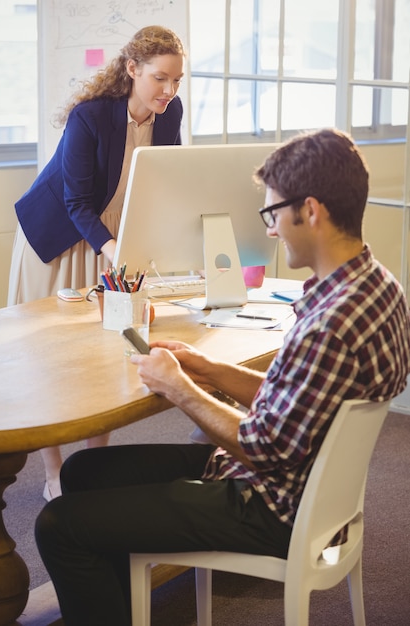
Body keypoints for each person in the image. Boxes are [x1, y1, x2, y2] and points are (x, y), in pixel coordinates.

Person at [35, 129, 410, 626]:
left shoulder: (329, 324)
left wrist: (178, 387)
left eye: (273, 213)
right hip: (302, 483)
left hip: (270, 503)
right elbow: (297, 399)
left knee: (59, 524)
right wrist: (208, 368)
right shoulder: (377, 289)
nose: (271, 230)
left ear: (312, 210)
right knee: (82, 474)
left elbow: (261, 447)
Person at [7, 25, 186, 501]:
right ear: (132, 69)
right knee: (53, 363)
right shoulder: (89, 117)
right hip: (62, 237)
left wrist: (155, 243)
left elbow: (166, 181)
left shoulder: (170, 114)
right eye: (159, 79)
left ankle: (88, 471)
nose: (168, 91)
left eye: (176, 81)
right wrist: (117, 252)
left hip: (113, 240)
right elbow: (76, 203)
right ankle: (52, 473)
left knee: (107, 357)